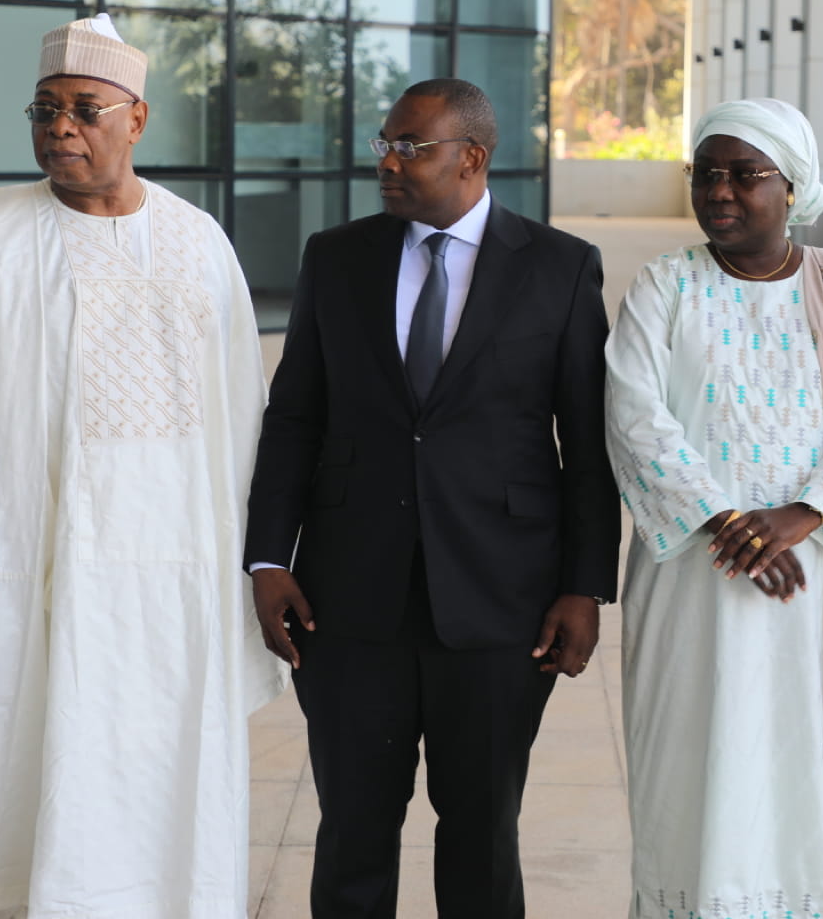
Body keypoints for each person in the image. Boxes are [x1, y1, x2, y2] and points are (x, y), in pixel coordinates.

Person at [0, 13, 281, 918]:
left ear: (137, 119)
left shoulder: (200, 240)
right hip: (33, 577)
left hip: (180, 588)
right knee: (29, 793)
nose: (61, 127)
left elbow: (247, 420)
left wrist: (260, 566)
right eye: (45, 110)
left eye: (86, 109)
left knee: (165, 790)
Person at [245, 78, 617, 919]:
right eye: (385, 143)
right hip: (347, 600)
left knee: (483, 833)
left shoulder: (560, 267)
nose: (389, 161)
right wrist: (269, 558)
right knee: (352, 831)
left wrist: (583, 587)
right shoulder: (336, 257)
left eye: (410, 147)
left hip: (501, 603)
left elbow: (588, 446)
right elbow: (296, 414)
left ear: (472, 159)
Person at [606, 97, 823, 919]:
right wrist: (727, 522)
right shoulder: (664, 287)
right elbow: (633, 414)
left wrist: (801, 516)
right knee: (690, 766)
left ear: (794, 188)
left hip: (809, 581)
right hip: (690, 583)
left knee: (792, 772)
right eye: (707, 174)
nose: (721, 192)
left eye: (746, 175)